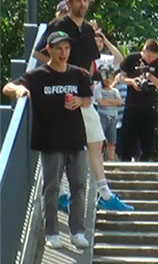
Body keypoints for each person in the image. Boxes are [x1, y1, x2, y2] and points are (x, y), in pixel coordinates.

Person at [35, 0, 133, 211]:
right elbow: (38, 53)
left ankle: (104, 194)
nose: (83, 3)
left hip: (82, 94)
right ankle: (62, 194)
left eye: (86, 0)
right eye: (78, 0)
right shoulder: (58, 25)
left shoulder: (88, 30)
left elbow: (90, 61)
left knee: (96, 141)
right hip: (61, 93)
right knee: (61, 145)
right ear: (70, 3)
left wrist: (86, 79)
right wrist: (59, 72)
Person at [4, 31, 94, 249]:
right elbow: (7, 87)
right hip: (50, 140)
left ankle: (77, 231)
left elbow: (88, 100)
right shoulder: (38, 75)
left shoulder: (78, 74)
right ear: (49, 50)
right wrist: (19, 89)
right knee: (51, 187)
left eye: (67, 48)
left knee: (79, 186)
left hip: (76, 138)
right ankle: (52, 233)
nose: (63, 53)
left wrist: (80, 101)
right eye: (59, 48)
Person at [118, 39, 158, 162]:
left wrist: (150, 77)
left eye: (153, 57)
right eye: (148, 56)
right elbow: (121, 77)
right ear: (143, 50)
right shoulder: (131, 58)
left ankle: (145, 161)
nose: (150, 60)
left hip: (149, 105)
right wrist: (132, 82)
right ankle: (125, 161)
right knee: (128, 137)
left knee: (147, 139)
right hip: (132, 104)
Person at [94, 65, 121, 161]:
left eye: (110, 77)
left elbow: (119, 102)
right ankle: (99, 158)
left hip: (113, 117)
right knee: (100, 139)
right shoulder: (98, 90)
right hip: (102, 116)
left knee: (112, 140)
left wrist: (107, 101)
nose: (108, 80)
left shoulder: (115, 91)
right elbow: (100, 102)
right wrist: (112, 102)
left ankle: (111, 159)